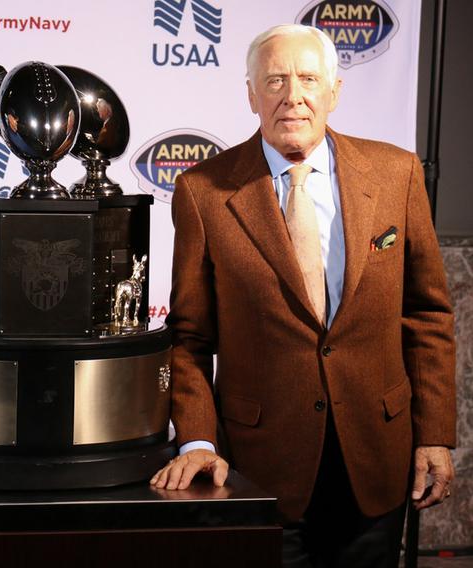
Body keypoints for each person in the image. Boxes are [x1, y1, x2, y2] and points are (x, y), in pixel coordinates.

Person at [151, 24, 455, 567]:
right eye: (275, 80)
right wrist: (197, 439)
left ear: (333, 91)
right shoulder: (203, 191)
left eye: (309, 79)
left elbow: (426, 314)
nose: (293, 95)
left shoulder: (396, 173)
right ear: (251, 94)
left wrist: (435, 436)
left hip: (377, 461)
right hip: (261, 467)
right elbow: (189, 339)